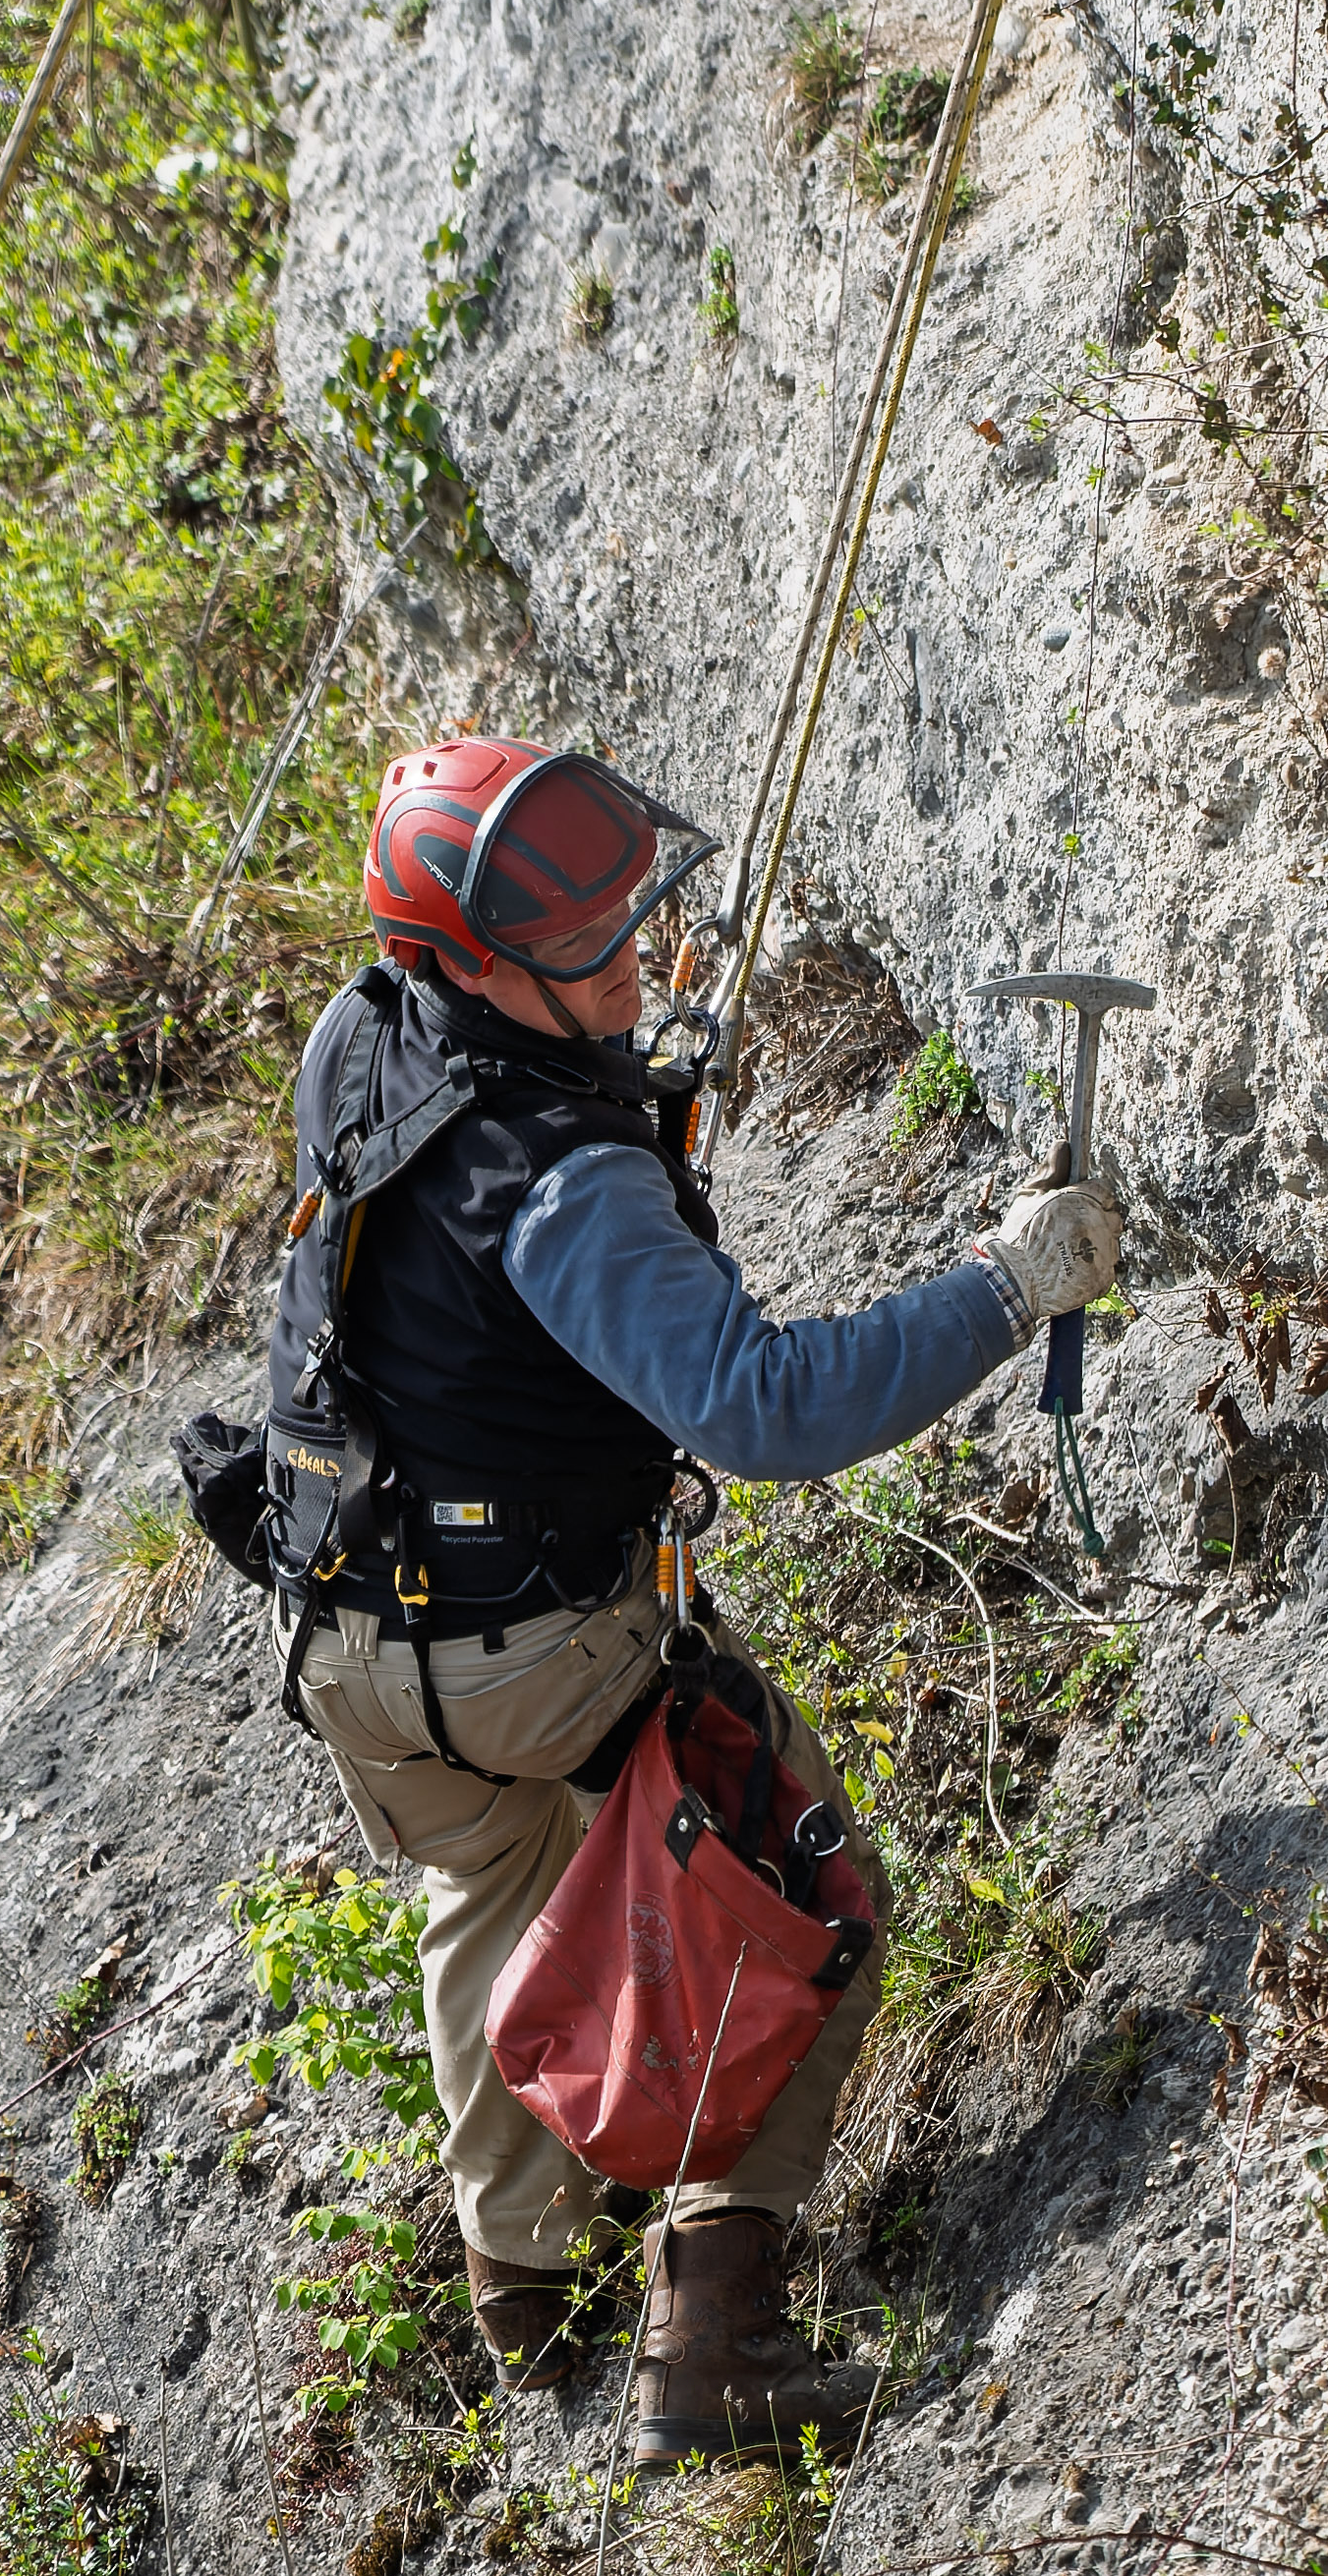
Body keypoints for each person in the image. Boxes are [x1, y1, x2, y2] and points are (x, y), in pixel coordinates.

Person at [283, 735, 1120, 2452]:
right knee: (791, 1892)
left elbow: (455, 1261)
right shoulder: (565, 1186)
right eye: (579, 946)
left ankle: (523, 2287)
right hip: (526, 1645)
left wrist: (629, 1095)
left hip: (350, 1647)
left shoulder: (362, 1036)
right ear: (465, 957)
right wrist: (1004, 1286)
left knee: (494, 1874)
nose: (625, 960)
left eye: (620, 924)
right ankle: (711, 2337)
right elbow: (768, 1406)